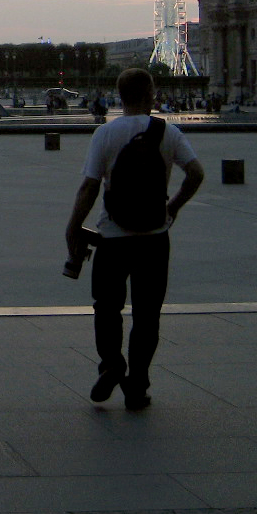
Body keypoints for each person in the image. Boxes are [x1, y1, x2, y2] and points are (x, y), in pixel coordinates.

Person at [64, 67, 205, 410]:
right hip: (154, 238)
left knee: (107, 308)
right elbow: (196, 174)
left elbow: (89, 186)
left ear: (119, 95)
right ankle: (137, 386)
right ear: (151, 93)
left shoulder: (105, 133)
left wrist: (73, 227)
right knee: (147, 315)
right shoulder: (168, 132)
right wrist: (172, 208)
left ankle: (111, 363)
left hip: (112, 236)